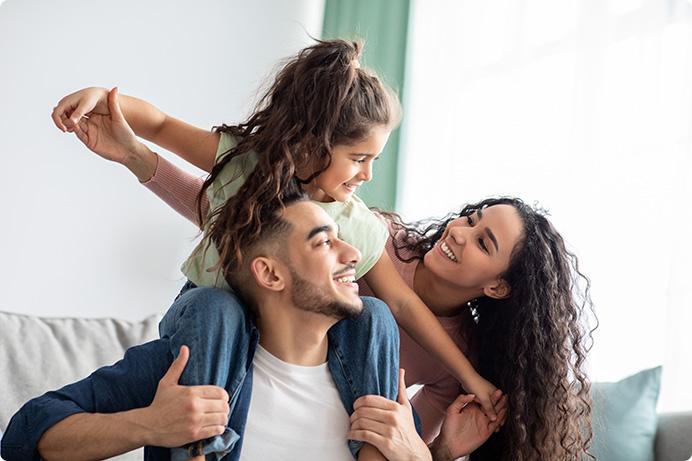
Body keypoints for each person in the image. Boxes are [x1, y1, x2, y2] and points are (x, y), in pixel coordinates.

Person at [50, 39, 501, 458]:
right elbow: (164, 126)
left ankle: (373, 448)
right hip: (208, 318)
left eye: (374, 161)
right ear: (312, 145)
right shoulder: (247, 165)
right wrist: (101, 99)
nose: (367, 175)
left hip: (293, 335)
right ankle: (203, 448)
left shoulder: (356, 223)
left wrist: (471, 378)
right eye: (359, 159)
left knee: (375, 314)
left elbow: (401, 302)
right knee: (217, 307)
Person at [1, 195, 404, 461]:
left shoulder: (369, 378)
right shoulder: (189, 368)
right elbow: (24, 433)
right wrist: (150, 425)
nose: (352, 254)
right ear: (270, 274)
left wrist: (430, 451)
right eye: (323, 243)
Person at [349, 199, 597, 460]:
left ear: (497, 287)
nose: (458, 231)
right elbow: (400, 303)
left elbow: (400, 444)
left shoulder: (463, 354)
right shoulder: (379, 237)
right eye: (470, 220)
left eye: (482, 243)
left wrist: (444, 450)